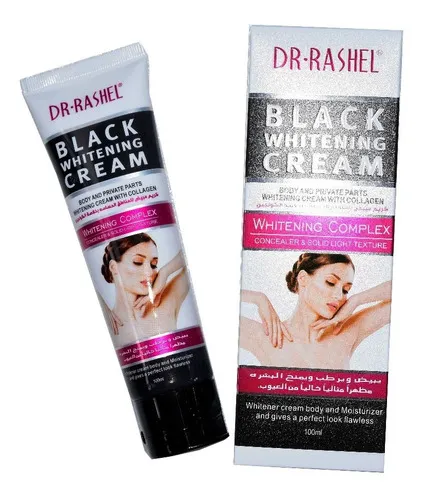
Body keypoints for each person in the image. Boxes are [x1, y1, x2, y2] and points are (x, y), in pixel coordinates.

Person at [239, 253, 391, 369]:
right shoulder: (268, 335)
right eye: (331, 282)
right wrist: (258, 298)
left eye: (346, 290)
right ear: (303, 278)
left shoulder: (348, 331)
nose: (339, 296)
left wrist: (357, 300)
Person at [100, 233, 189, 347]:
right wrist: (101, 302)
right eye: (138, 262)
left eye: (153, 264)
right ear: (113, 267)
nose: (149, 272)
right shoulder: (107, 324)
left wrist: (165, 272)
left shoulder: (168, 302)